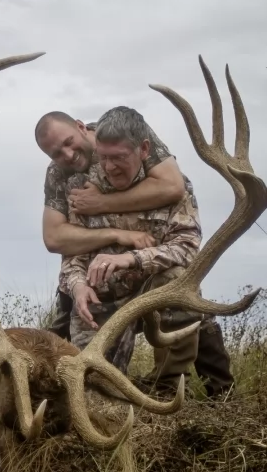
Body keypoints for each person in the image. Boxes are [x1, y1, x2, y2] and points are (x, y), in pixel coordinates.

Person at [35, 107, 234, 399]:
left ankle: (177, 388)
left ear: (143, 151)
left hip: (154, 283)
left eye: (118, 158)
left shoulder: (166, 179)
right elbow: (65, 246)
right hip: (105, 294)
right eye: (104, 159)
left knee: (181, 285)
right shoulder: (76, 186)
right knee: (93, 391)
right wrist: (78, 285)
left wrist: (130, 256)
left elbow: (188, 247)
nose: (110, 166)